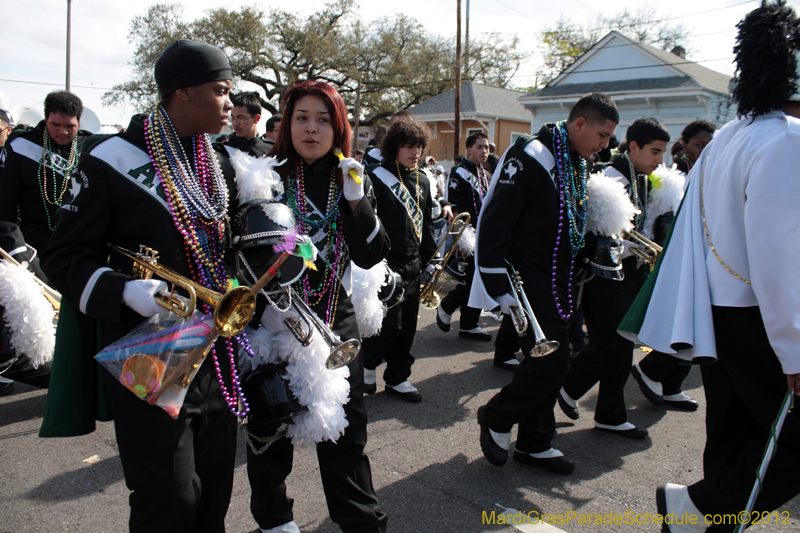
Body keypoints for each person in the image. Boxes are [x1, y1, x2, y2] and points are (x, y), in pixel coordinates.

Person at [41, 40, 243, 533]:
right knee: (168, 498)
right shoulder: (108, 159)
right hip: (151, 349)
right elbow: (62, 256)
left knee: (215, 490)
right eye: (220, 92)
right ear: (183, 92)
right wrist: (122, 292)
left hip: (214, 349)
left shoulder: (216, 162)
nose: (230, 104)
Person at [627, 3, 800, 529]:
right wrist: (794, 347)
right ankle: (697, 508)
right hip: (763, 317)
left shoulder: (728, 136)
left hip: (722, 309)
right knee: (783, 443)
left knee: (732, 431)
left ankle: (701, 522)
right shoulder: (786, 140)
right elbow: (778, 256)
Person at [245, 80, 389, 533]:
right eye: (301, 118)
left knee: (347, 432)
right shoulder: (262, 174)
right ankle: (273, 518)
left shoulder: (352, 177)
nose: (311, 129)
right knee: (270, 424)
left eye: (323, 120)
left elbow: (371, 253)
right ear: (287, 123)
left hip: (333, 314)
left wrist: (355, 199)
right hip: (271, 318)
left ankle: (361, 521)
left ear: (338, 126)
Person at [471, 93, 618, 475]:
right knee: (552, 362)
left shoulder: (575, 160)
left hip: (560, 276)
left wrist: (589, 248)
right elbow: (495, 221)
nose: (605, 145)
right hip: (525, 275)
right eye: (601, 135)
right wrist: (497, 282)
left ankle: (535, 441)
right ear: (580, 124)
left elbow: (568, 219)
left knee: (557, 356)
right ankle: (497, 416)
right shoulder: (530, 154)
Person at [557, 117, 674, 439]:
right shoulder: (610, 178)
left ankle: (610, 413)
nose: (659, 160)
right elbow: (592, 235)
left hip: (632, 270)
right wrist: (629, 246)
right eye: (654, 151)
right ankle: (569, 384)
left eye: (663, 153)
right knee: (613, 341)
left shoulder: (642, 178)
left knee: (625, 343)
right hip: (604, 273)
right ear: (633, 146)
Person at [362, 117, 436, 402]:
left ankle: (398, 377)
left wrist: (432, 259)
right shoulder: (376, 174)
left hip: (414, 261)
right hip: (384, 261)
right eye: (408, 145)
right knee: (386, 322)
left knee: (407, 326)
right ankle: (368, 364)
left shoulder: (424, 179)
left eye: (418, 146)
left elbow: (427, 223)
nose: (414, 151)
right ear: (394, 146)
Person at [0, 90, 87, 253]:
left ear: (79, 121)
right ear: (46, 118)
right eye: (56, 125)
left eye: (70, 126)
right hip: (30, 244)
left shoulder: (90, 147)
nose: (63, 132)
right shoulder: (21, 145)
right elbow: (7, 204)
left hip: (74, 245)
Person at [437, 131, 493, 341]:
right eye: (480, 147)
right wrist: (459, 239)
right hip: (466, 238)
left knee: (480, 281)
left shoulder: (486, 176)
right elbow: (454, 207)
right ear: (469, 150)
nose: (484, 151)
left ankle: (469, 324)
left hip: (484, 237)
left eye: (486, 147)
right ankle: (446, 306)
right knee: (467, 280)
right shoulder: (459, 173)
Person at [225, 92, 271, 158]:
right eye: (233, 118)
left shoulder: (271, 150)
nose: (235, 123)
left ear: (256, 118)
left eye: (241, 118)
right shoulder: (223, 150)